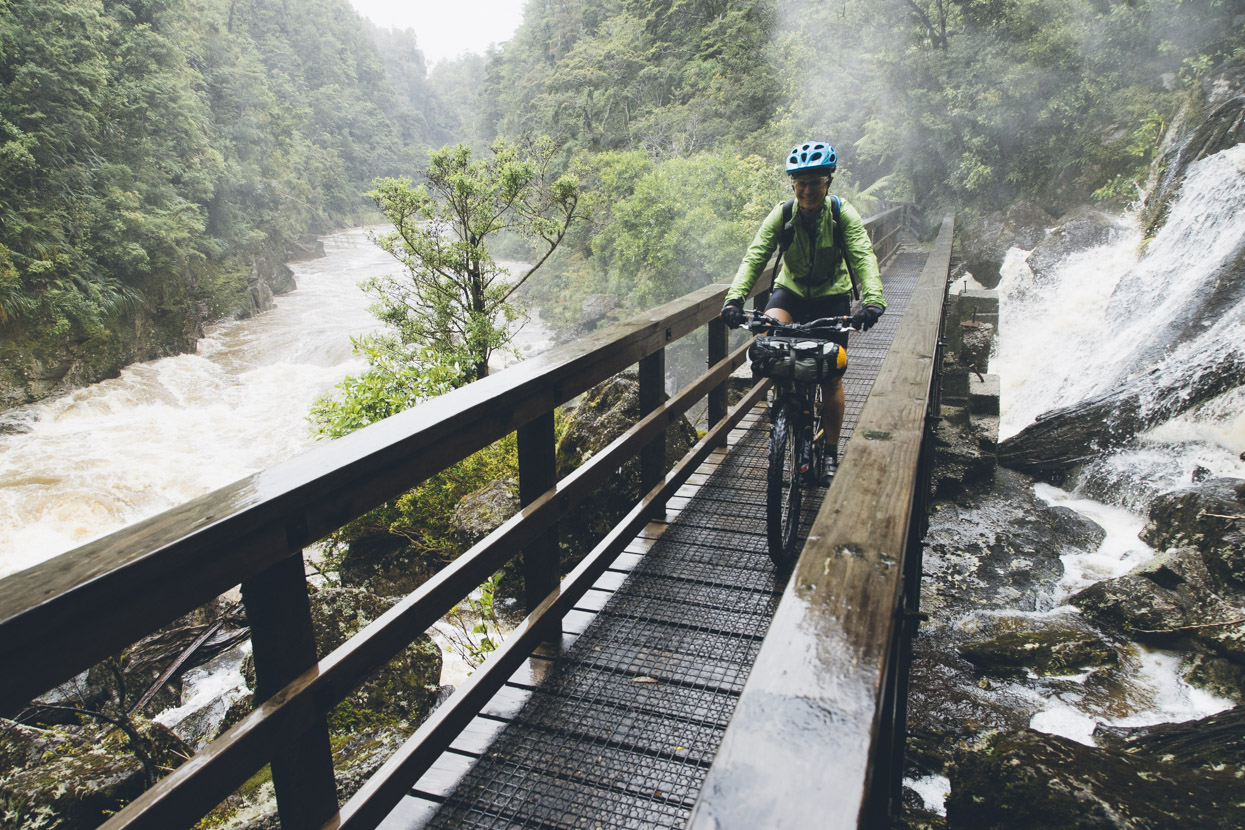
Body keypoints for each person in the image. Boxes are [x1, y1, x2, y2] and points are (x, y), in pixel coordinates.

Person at [720, 140, 886, 485]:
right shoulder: (782, 215)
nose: (807, 189)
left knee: (832, 374)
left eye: (815, 182)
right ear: (793, 184)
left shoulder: (843, 215)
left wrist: (872, 301)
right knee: (766, 337)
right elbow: (756, 256)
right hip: (791, 292)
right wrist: (735, 299)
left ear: (828, 182)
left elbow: (863, 257)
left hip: (832, 295)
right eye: (801, 182)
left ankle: (829, 450)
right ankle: (785, 404)